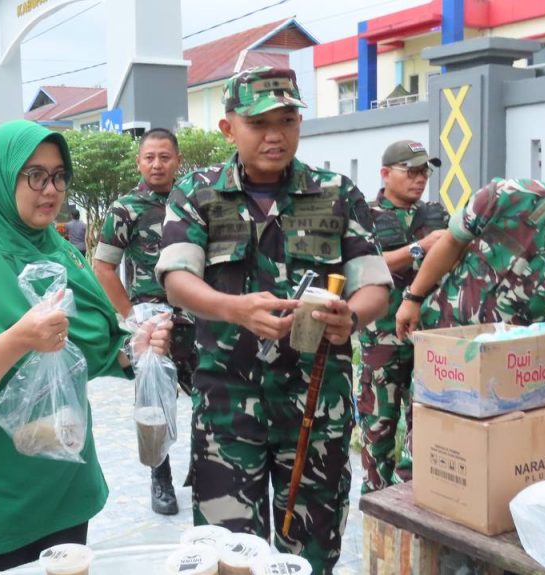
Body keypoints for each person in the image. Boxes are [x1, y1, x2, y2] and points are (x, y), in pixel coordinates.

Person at [0, 119, 172, 575]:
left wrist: (133, 349)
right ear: (0, 178)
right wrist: (17, 341)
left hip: (64, 489)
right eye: (35, 175)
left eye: (59, 175)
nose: (51, 189)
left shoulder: (59, 253)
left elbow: (92, 346)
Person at [156, 67, 392, 574]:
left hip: (315, 404)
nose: (275, 135)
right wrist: (235, 309)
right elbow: (177, 278)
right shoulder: (197, 194)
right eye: (259, 122)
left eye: (287, 120)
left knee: (309, 555)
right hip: (227, 407)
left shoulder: (336, 192)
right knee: (228, 555)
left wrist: (351, 314)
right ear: (228, 128)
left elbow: (374, 283)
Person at [396, 148, 545, 471]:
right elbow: (451, 242)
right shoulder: (506, 199)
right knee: (427, 452)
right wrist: (413, 297)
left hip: (514, 380)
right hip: (451, 346)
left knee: (494, 468)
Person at [94, 127, 198, 516]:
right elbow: (104, 267)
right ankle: (161, 479)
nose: (157, 164)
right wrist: (132, 317)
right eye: (149, 157)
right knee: (155, 402)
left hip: (195, 319)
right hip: (153, 323)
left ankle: (203, 469)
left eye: (164, 157)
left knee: (210, 397)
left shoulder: (192, 202)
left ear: (177, 160)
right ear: (139, 162)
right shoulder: (125, 208)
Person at [357, 141, 448, 494]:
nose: (420, 179)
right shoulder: (365, 214)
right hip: (382, 336)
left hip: (428, 333)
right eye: (411, 171)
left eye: (425, 171)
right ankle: (377, 495)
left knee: (424, 417)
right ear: (385, 174)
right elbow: (361, 267)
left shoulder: (436, 215)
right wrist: (419, 249)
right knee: (379, 421)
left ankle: (411, 492)